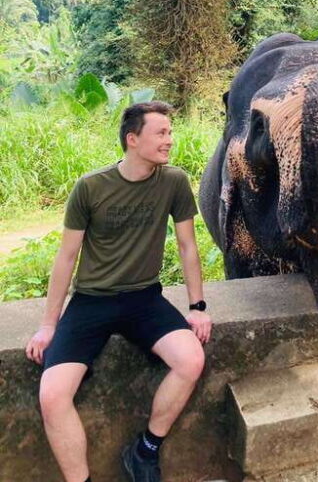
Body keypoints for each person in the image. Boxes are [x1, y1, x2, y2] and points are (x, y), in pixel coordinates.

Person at [26, 101, 212, 482]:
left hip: (144, 298)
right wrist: (48, 325)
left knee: (191, 360)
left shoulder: (174, 182)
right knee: (52, 395)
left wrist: (197, 306)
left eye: (170, 132)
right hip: (91, 301)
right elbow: (66, 257)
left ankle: (145, 450)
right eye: (161, 133)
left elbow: (187, 246)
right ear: (133, 139)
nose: (169, 141)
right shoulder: (91, 188)